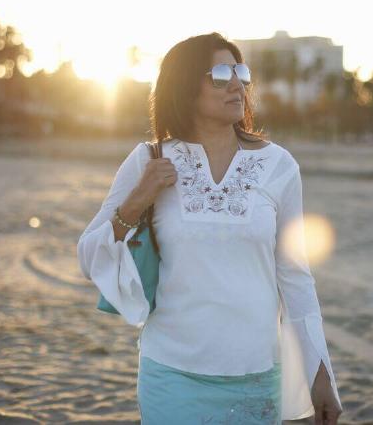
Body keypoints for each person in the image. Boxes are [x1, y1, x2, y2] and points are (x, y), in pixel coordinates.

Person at [77, 32, 343, 424]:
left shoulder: (279, 166)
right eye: (220, 73)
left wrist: (321, 376)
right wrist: (137, 200)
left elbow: (296, 280)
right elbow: (88, 257)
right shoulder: (149, 159)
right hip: (172, 373)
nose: (236, 83)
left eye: (241, 71)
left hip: (256, 375)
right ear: (184, 87)